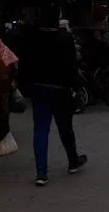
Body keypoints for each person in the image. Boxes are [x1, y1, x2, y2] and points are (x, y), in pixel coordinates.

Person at [18, 18, 88, 186]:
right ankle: (73, 161)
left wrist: (25, 86)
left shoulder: (31, 38)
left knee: (40, 130)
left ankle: (41, 172)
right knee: (65, 128)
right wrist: (77, 87)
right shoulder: (65, 38)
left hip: (38, 88)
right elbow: (72, 66)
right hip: (60, 89)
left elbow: (24, 64)